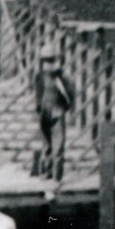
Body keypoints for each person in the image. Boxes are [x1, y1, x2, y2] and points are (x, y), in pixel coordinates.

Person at [34, 42, 74, 181]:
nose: (48, 64)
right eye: (46, 60)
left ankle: (55, 177)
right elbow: (38, 95)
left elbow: (69, 94)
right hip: (47, 114)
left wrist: (65, 107)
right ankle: (47, 174)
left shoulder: (61, 77)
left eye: (51, 60)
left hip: (55, 113)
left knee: (56, 147)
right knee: (48, 147)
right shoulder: (41, 77)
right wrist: (39, 109)